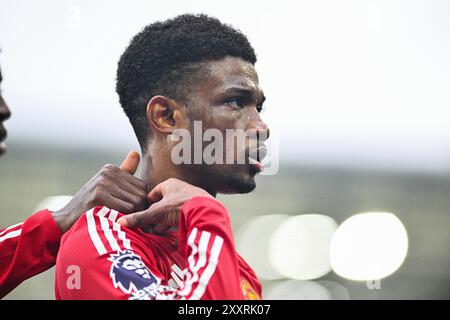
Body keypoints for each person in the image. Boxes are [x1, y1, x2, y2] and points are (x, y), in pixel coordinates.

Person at [55, 14, 269, 300]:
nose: (261, 127)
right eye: (235, 102)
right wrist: (206, 211)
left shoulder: (236, 267)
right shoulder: (101, 241)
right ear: (166, 117)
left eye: (258, 108)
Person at [0, 63, 148, 298]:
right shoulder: (95, 241)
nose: (5, 109)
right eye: (228, 101)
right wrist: (208, 215)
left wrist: (61, 218)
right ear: (164, 115)